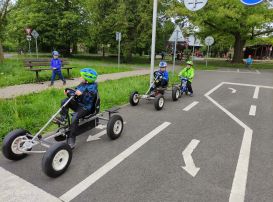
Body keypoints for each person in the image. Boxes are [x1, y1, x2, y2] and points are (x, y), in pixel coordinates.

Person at [53, 68, 98, 148]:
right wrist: (68, 92)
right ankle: (63, 118)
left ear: (87, 79)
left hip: (86, 108)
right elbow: (75, 91)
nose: (80, 77)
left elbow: (88, 97)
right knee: (64, 101)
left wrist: (82, 94)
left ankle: (72, 138)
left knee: (75, 118)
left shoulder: (92, 87)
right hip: (79, 104)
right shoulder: (82, 84)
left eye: (81, 76)